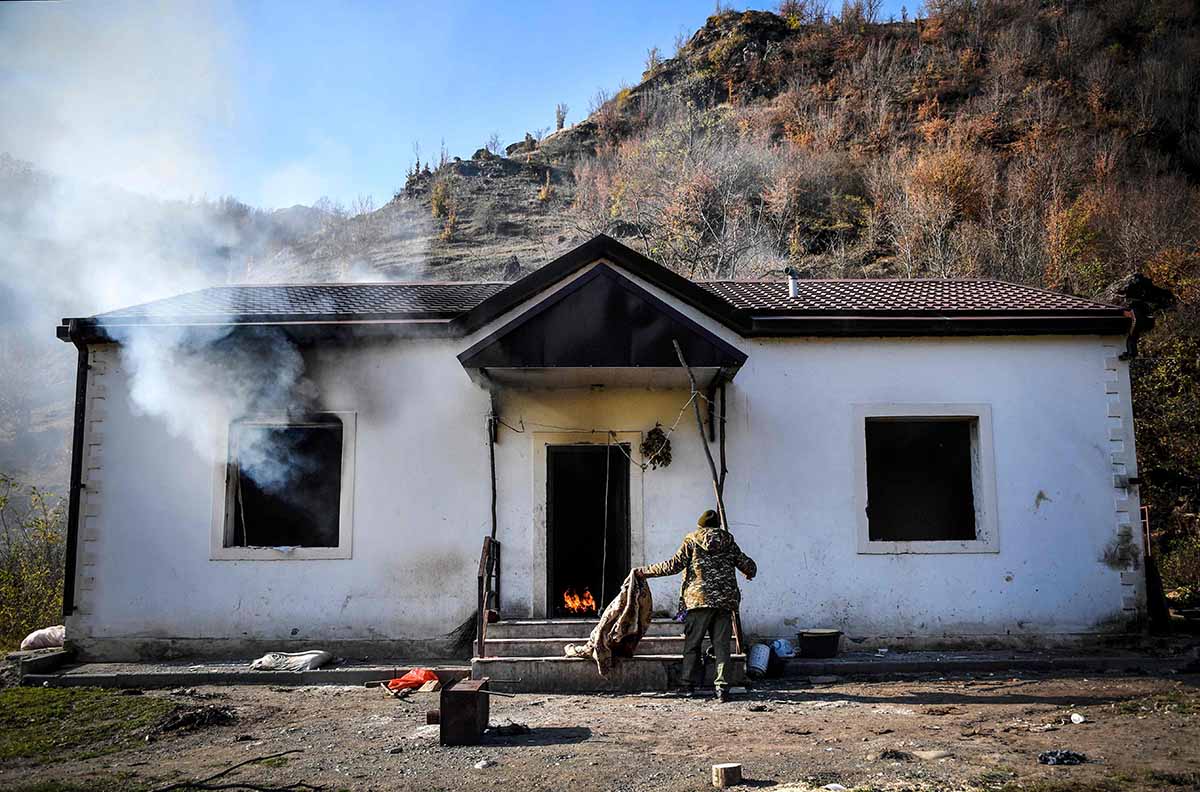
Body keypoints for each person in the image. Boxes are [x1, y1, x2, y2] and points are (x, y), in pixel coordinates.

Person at [634, 509, 756, 702]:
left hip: (698, 600)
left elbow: (673, 565)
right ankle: (722, 688)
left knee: (693, 644)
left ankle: (688, 685)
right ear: (716, 526)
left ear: (700, 526)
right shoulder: (728, 541)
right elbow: (748, 565)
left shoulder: (692, 540)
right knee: (722, 645)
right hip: (724, 601)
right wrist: (749, 572)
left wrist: (644, 572)